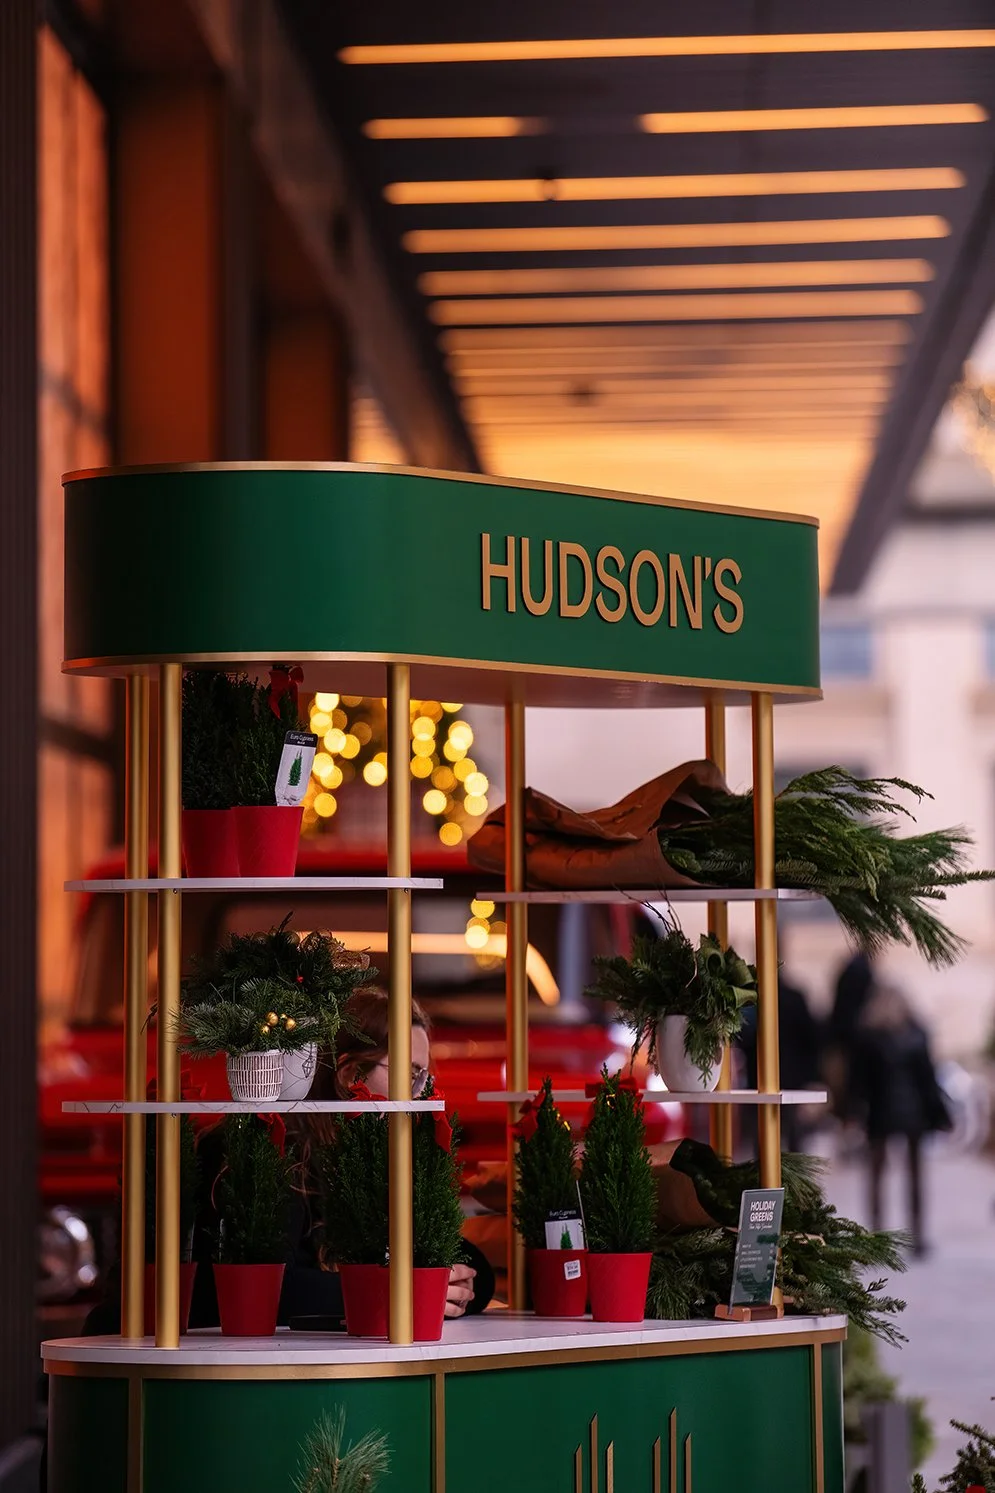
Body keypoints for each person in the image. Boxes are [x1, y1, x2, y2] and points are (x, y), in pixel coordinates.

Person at [848, 981, 950, 1256]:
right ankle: (916, 1235)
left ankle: (877, 1233)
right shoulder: (917, 1035)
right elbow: (929, 1080)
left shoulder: (868, 1036)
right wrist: (939, 1112)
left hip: (880, 1112)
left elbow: (859, 1081)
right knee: (915, 1175)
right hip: (914, 1113)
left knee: (876, 1173)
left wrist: (852, 1111)